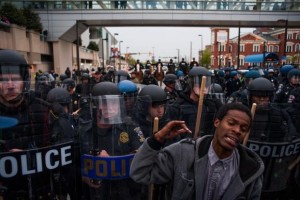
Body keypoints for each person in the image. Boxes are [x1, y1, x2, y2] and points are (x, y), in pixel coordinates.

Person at [130, 103, 264, 200]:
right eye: (231, 123)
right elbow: (140, 173)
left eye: (243, 128)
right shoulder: (183, 153)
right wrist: (157, 139)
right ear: (217, 122)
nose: (237, 130)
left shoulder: (251, 170)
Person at [0, 49, 76, 199]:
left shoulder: (44, 110)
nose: (10, 85)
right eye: (3, 80)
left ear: (24, 81)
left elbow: (64, 150)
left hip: (41, 191)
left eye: (15, 79)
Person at [79, 81, 145, 200]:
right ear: (95, 105)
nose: (109, 107)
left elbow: (142, 155)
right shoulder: (83, 131)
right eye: (104, 103)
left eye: (113, 103)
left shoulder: (130, 127)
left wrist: (109, 164)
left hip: (125, 191)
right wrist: (84, 176)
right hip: (95, 193)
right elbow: (73, 164)